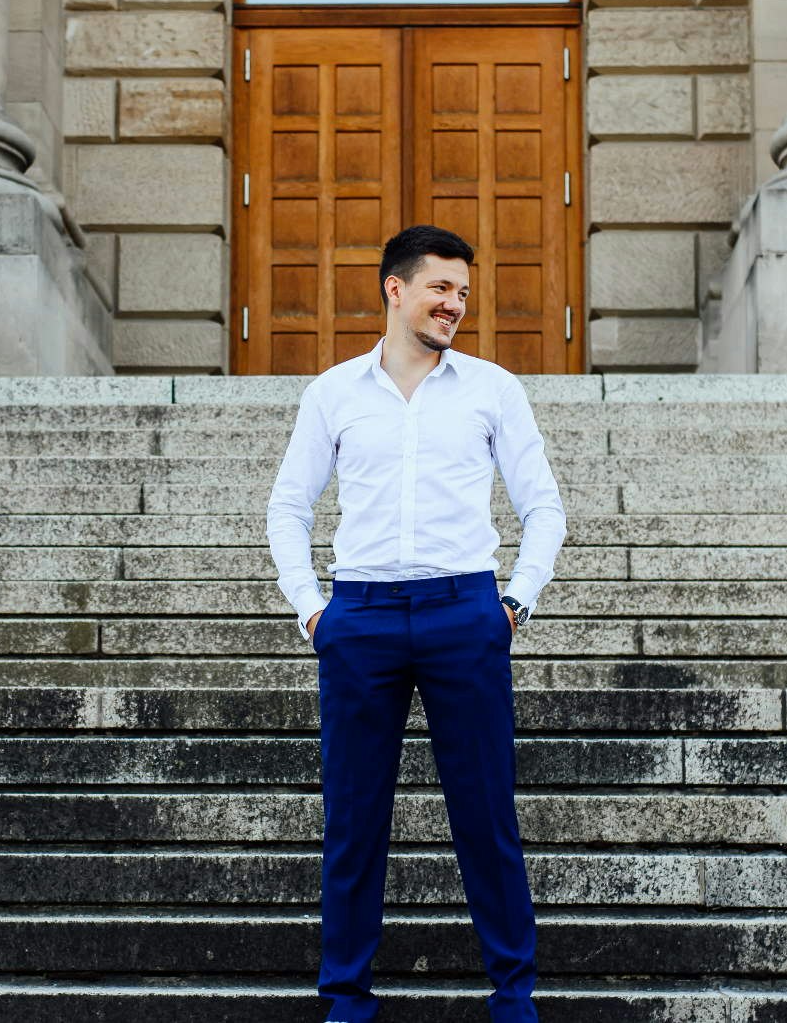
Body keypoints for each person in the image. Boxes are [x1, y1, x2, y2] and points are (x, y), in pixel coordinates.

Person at [266, 224, 567, 1023]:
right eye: (441, 288)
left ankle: (514, 1000)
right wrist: (312, 610)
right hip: (358, 617)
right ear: (395, 289)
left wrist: (513, 604)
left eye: (463, 292)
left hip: (464, 613)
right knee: (354, 822)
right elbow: (289, 506)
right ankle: (346, 1000)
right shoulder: (332, 392)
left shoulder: (493, 389)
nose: (455, 304)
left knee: (487, 818)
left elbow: (544, 507)